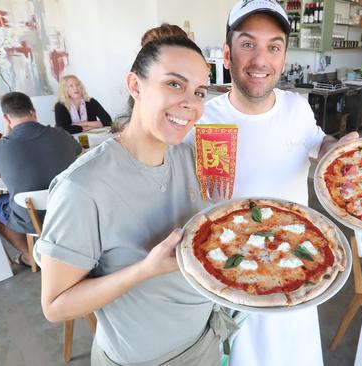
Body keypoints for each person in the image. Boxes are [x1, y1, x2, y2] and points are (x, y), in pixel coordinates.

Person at [35, 25, 236, 366]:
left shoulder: (193, 156)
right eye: (174, 84)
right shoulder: (82, 187)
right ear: (135, 85)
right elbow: (55, 306)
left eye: (200, 92)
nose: (190, 103)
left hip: (208, 340)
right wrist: (144, 270)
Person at [184, 1, 358, 365]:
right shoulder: (201, 120)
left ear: (283, 56)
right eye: (248, 44)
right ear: (227, 54)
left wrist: (334, 149)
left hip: (299, 267)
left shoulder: (297, 107)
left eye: (273, 46)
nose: (261, 60)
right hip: (224, 281)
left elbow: (317, 142)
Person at [0, 91, 81, 266]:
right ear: (34, 112)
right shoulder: (60, 134)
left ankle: (29, 256)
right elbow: (78, 151)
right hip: (69, 210)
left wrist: (6, 135)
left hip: (32, 217)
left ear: (6, 119)